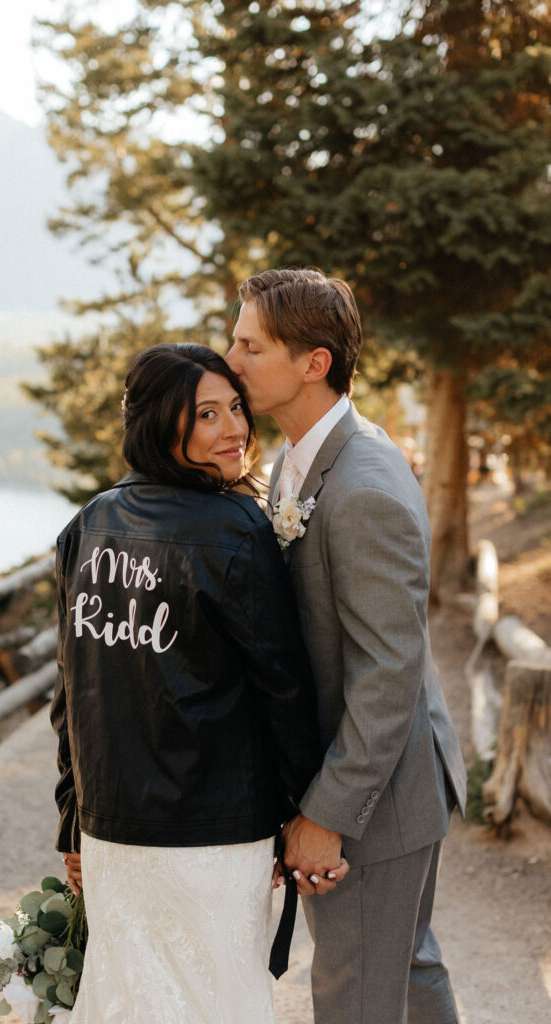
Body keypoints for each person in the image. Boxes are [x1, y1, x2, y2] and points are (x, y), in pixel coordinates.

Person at [50, 342, 337, 1024]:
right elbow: (284, 692)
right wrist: (300, 809)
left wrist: (71, 818)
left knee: (129, 1002)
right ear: (159, 425)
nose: (233, 428)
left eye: (234, 407)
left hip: (111, 831)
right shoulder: (239, 532)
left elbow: (67, 696)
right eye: (205, 415)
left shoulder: (87, 525)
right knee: (217, 1001)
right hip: (214, 830)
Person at [226, 268, 468, 1024]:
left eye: (248, 346)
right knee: (405, 969)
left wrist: (326, 813)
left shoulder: (360, 485)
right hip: (389, 784)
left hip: (376, 796)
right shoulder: (305, 460)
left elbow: (387, 672)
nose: (230, 360)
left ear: (312, 363)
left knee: (354, 994)